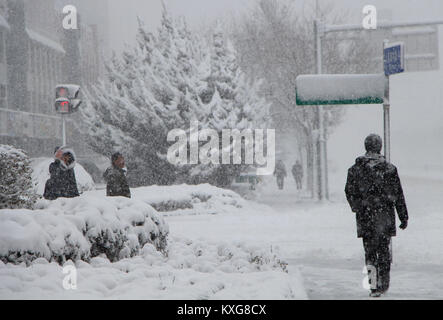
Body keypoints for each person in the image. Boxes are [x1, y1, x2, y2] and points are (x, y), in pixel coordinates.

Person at [345, 134, 408, 298]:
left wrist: (357, 207)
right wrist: (403, 216)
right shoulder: (389, 169)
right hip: (384, 217)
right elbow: (398, 194)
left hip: (365, 218)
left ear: (365, 146)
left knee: (370, 252)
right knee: (384, 252)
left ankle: (372, 286)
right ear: (379, 147)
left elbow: (349, 191)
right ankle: (383, 285)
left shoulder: (355, 169)